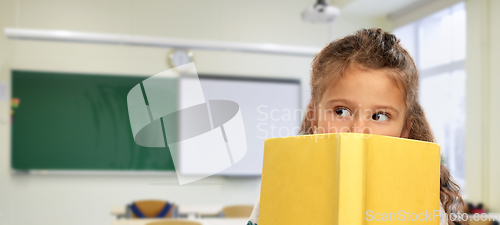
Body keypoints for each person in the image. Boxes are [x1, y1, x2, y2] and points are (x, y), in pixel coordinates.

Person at [247, 28, 466, 225]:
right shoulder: (282, 189)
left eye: (380, 116)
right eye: (341, 111)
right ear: (314, 119)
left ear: (404, 130)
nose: (359, 130)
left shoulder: (423, 202)